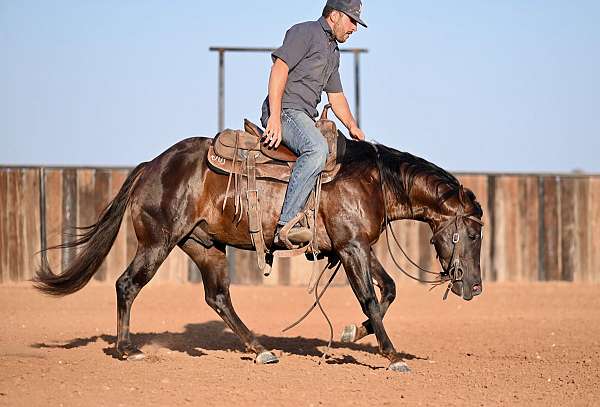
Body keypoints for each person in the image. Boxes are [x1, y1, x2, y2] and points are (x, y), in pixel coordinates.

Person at [260, 0, 367, 246]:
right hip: (286, 111)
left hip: (304, 117)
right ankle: (286, 225)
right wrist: (275, 117)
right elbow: (279, 69)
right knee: (317, 149)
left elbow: (336, 96)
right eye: (352, 21)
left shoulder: (333, 52)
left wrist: (352, 126)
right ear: (335, 16)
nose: (354, 28)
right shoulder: (305, 32)